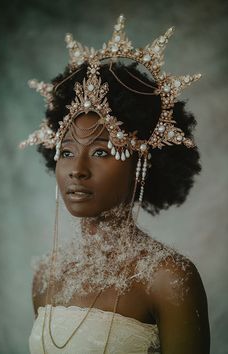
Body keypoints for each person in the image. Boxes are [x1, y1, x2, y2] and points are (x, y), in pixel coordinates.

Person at [20, 15, 210, 354]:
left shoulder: (168, 278)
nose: (76, 169)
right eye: (66, 151)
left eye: (101, 151)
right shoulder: (46, 275)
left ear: (141, 162)